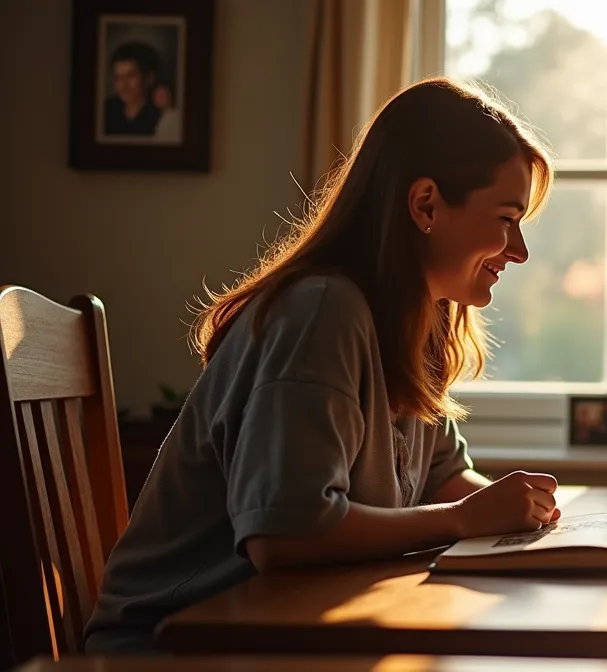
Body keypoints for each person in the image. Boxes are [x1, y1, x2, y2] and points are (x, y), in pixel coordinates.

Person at [84, 77, 561, 653]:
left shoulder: (418, 320)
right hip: (171, 650)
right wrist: (463, 518)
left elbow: (440, 476)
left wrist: (533, 522)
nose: (519, 251)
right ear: (426, 203)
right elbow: (284, 534)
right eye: (507, 218)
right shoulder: (322, 311)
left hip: (283, 635)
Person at [103, 41, 162, 136]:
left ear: (149, 78)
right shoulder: (107, 110)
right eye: (118, 78)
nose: (123, 85)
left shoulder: (161, 117)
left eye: (130, 76)